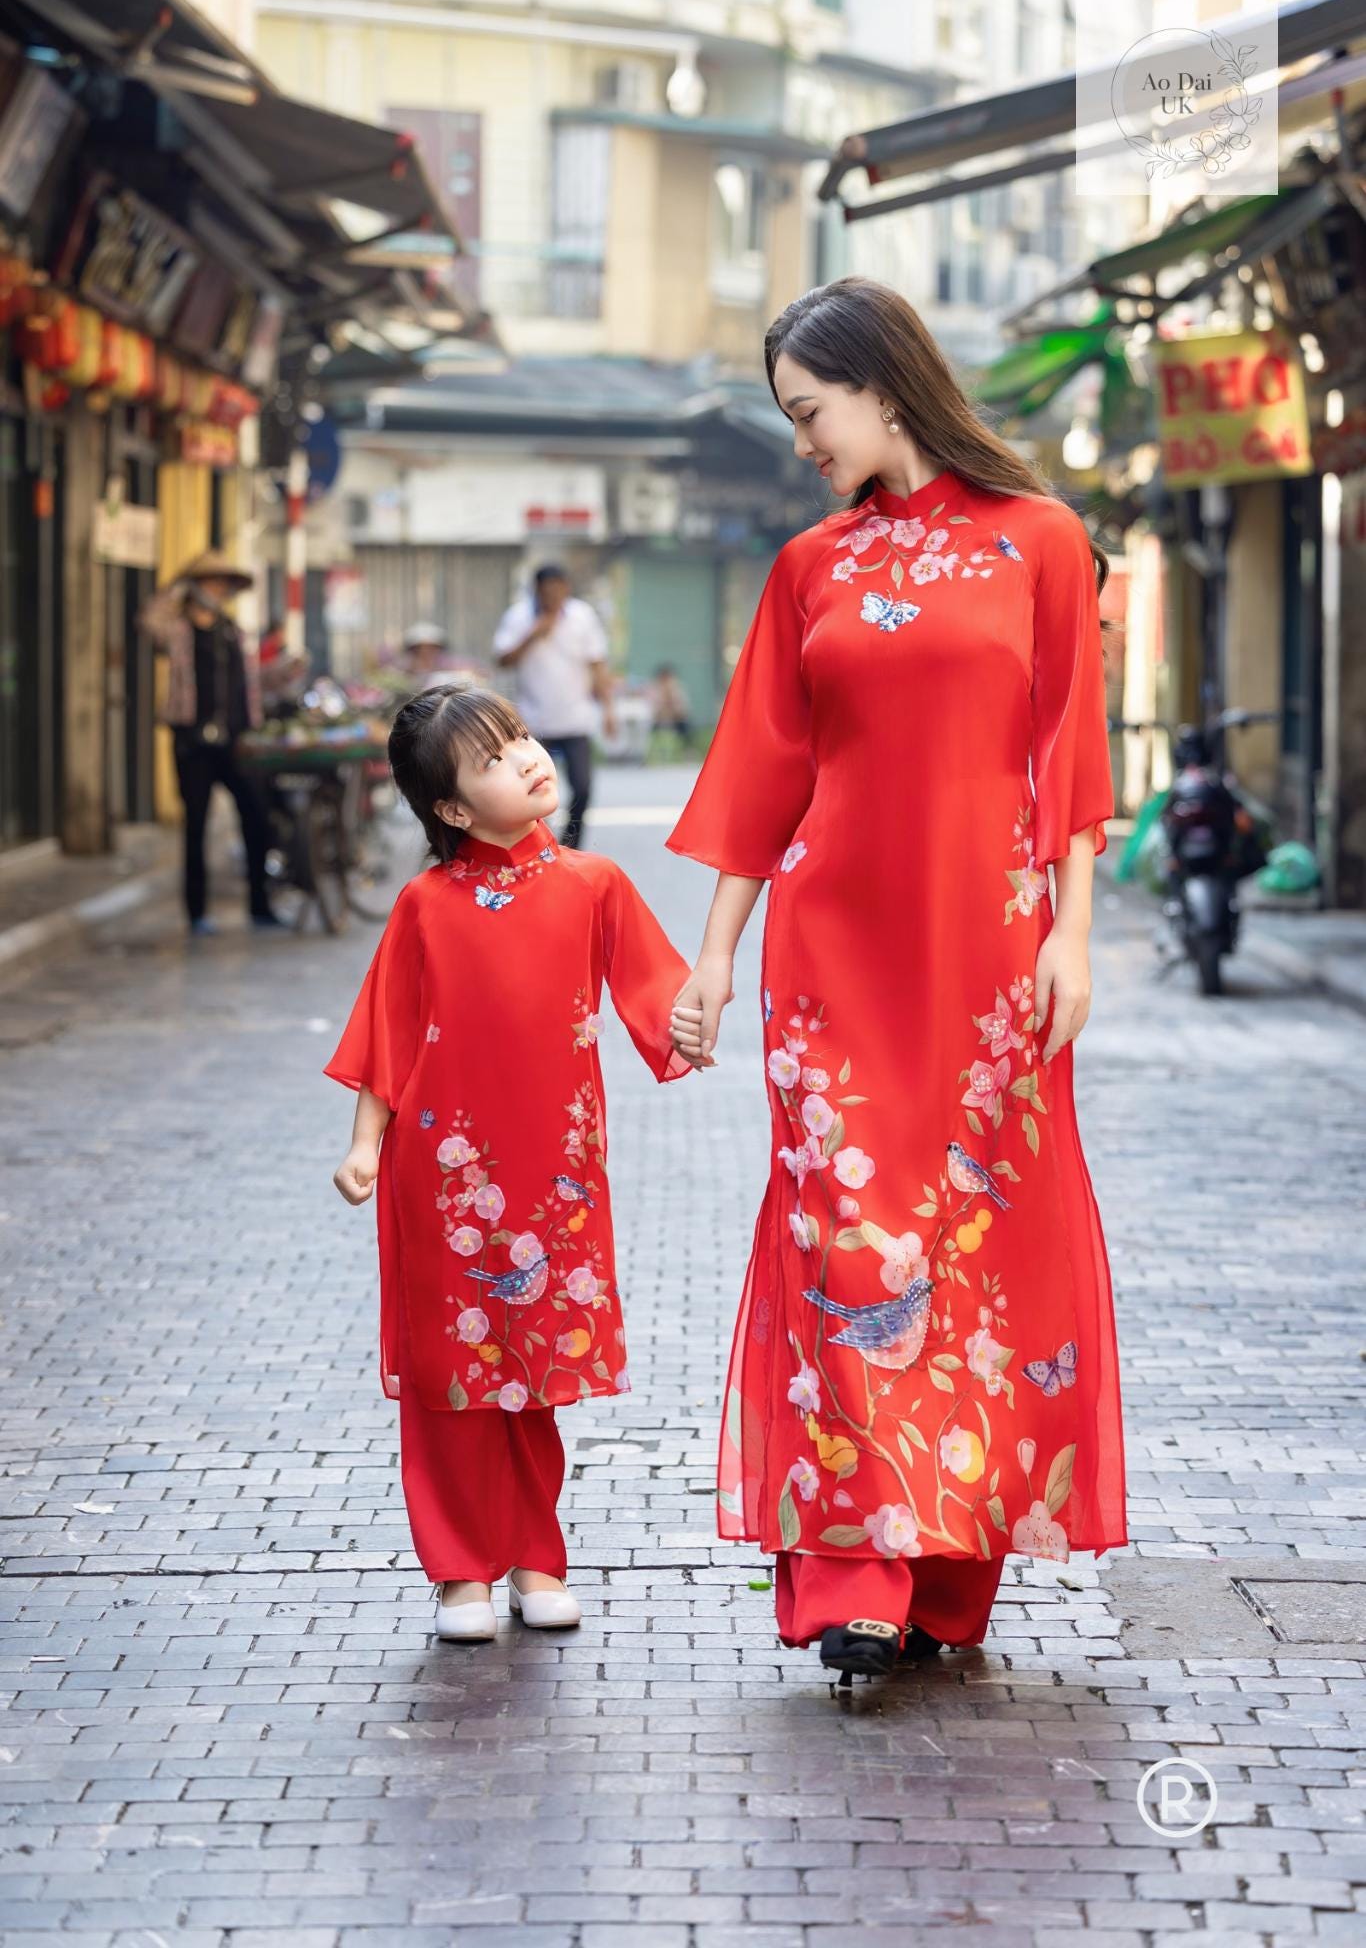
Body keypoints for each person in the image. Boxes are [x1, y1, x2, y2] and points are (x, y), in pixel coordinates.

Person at [664, 276, 1127, 1688]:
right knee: (845, 1245)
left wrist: (1071, 933)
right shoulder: (808, 567)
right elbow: (761, 770)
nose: (801, 439)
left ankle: (946, 1573)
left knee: (975, 1243)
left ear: (881, 385)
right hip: (831, 960)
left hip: (990, 954)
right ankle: (856, 1569)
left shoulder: (1041, 542)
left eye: (810, 411)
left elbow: (1068, 758)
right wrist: (716, 951)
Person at [325, 685, 692, 1643]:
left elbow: (663, 997)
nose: (529, 759)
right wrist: (366, 1143)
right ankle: (460, 1576)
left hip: (555, 1174)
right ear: (451, 809)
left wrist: (709, 1019)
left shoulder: (594, 883)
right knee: (453, 1372)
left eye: (522, 738)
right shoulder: (422, 906)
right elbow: (387, 1036)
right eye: (494, 758)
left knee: (533, 1365)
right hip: (441, 1173)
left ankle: (536, 1558)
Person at [139, 550, 282, 937]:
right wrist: (180, 585)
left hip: (234, 742)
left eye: (224, 584)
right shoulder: (178, 631)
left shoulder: (231, 630)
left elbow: (248, 684)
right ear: (196, 588)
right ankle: (197, 912)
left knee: (256, 815)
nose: (218, 591)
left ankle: (260, 906)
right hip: (192, 743)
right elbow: (149, 619)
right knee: (196, 825)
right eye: (211, 583)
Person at [493, 564, 616, 850]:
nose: (554, 598)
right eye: (548, 592)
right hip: (533, 722)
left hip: (576, 718)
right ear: (536, 591)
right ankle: (537, 845)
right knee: (532, 788)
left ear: (567, 589)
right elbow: (502, 659)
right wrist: (533, 635)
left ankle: (570, 846)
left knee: (582, 788)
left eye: (560, 591)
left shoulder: (582, 616)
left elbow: (597, 663)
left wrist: (609, 708)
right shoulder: (519, 617)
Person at [649, 663, 694, 752]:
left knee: (686, 727)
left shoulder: (678, 689)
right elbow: (653, 711)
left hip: (676, 720)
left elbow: (683, 711)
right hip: (658, 721)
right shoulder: (654, 689)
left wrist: (672, 700)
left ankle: (687, 750)